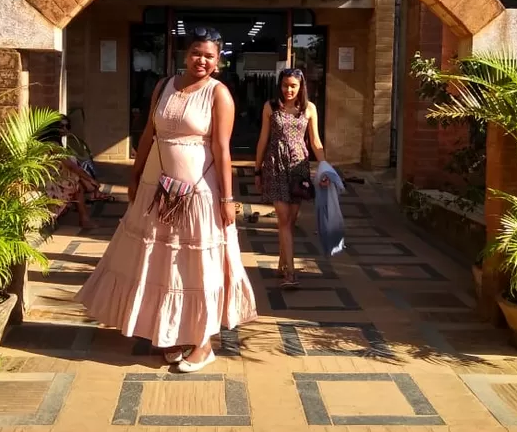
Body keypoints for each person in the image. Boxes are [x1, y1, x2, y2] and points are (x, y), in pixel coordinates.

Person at [76, 27, 257, 372]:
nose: (201, 60)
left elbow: (221, 149)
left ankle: (202, 343)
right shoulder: (164, 86)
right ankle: (173, 332)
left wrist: (228, 199)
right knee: (160, 262)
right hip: (154, 188)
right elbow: (149, 134)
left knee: (196, 268)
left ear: (218, 61)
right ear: (184, 54)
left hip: (198, 195)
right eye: (195, 53)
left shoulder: (219, 95)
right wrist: (134, 174)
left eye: (209, 56)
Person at [254, 67, 328, 288]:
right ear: (280, 85)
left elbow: (315, 141)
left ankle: (281, 264)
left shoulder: (309, 109)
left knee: (290, 221)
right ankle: (291, 273)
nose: (289, 90)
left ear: (301, 87)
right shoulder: (270, 107)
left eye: (293, 86)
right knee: (284, 219)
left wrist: (324, 168)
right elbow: (263, 139)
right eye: (285, 85)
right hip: (275, 166)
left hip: (299, 168)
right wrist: (257, 170)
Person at [39, 114, 100, 230]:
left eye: (68, 126)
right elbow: (70, 166)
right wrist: (90, 179)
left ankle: (84, 216)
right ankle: (84, 219)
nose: (65, 129)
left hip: (55, 178)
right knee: (77, 185)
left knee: (77, 181)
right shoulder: (52, 144)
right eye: (61, 126)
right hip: (47, 181)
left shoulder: (56, 143)